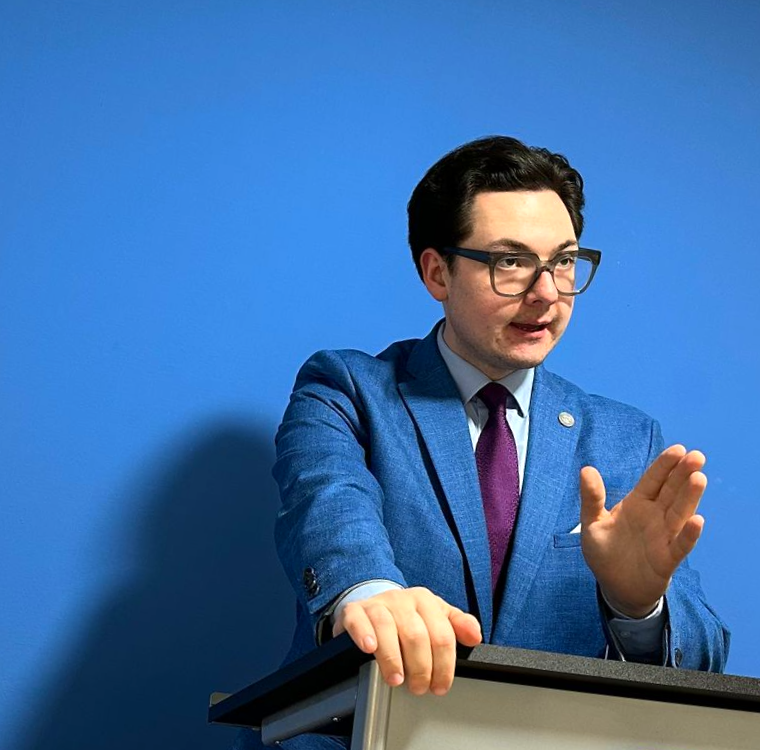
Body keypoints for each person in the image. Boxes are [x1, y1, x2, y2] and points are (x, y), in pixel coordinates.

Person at [235, 135, 730, 749]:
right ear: (436, 272)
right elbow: (327, 507)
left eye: (564, 261)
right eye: (510, 262)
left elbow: (702, 660)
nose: (546, 293)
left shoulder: (626, 438)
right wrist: (371, 595)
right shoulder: (346, 390)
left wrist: (637, 608)